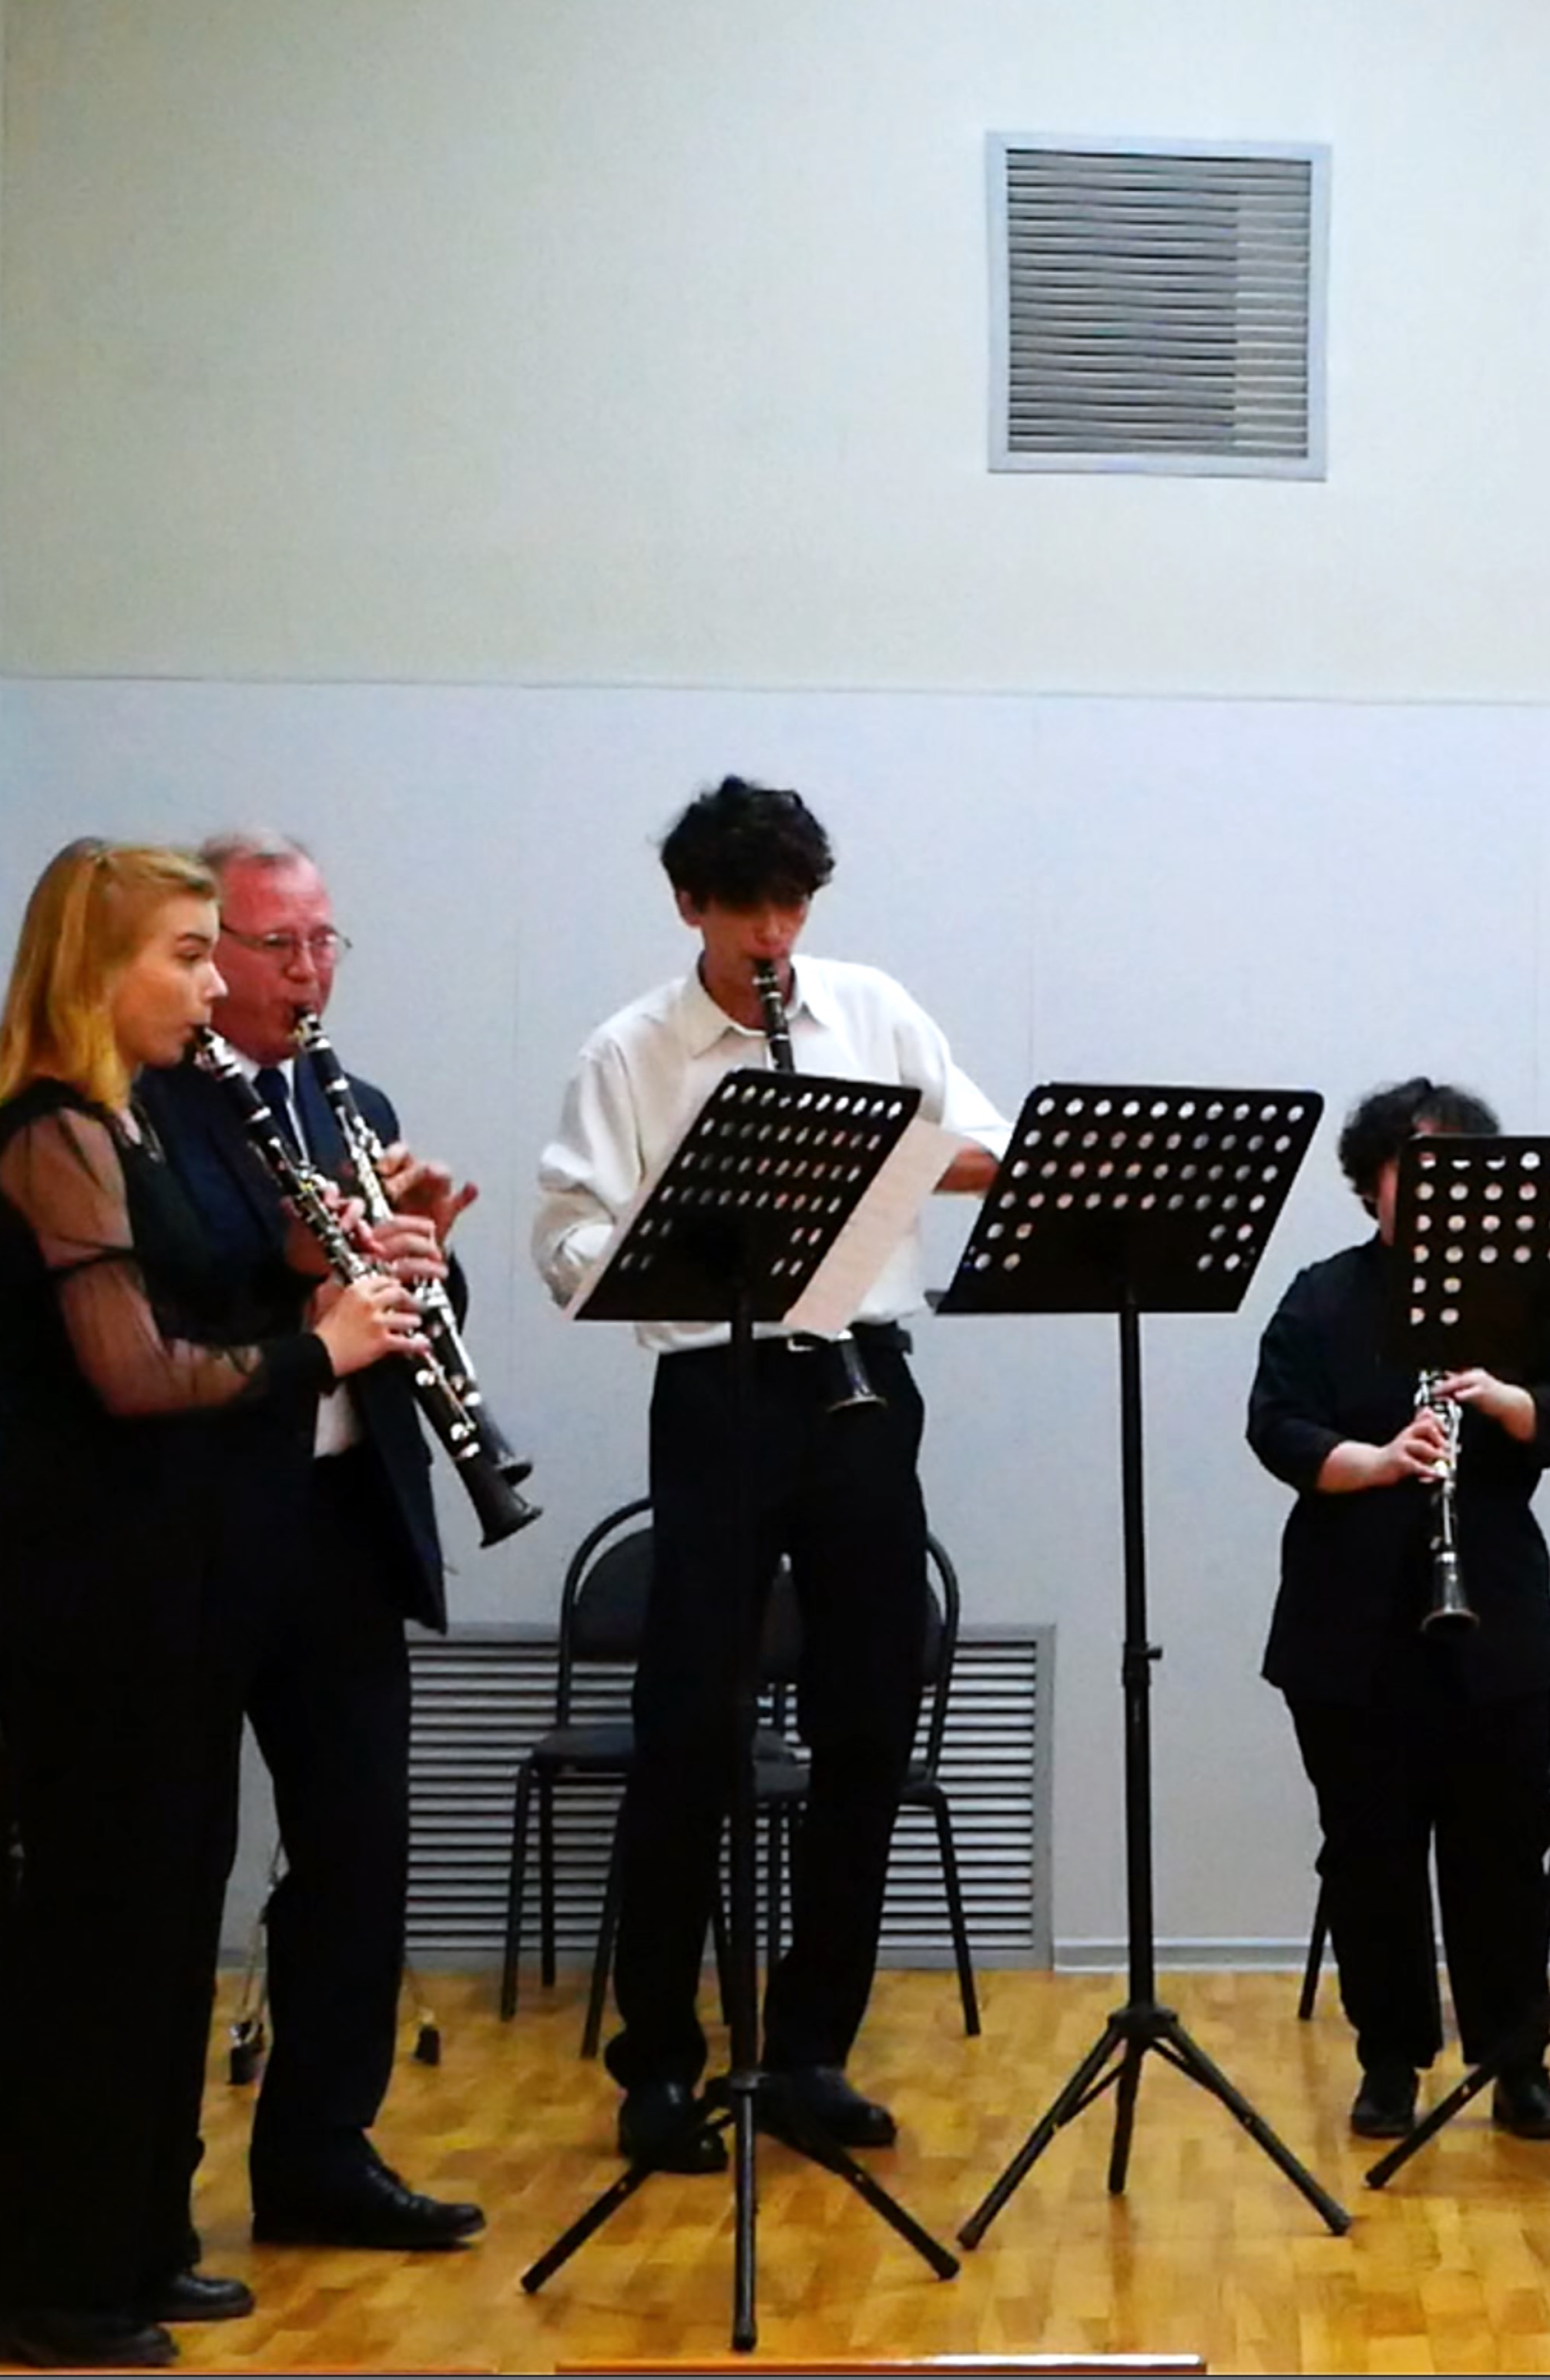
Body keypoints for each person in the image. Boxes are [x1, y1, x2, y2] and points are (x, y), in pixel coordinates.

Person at [0, 840, 419, 2368]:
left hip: (178, 1566)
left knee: (166, 1918)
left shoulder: (145, 1124)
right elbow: (134, 1372)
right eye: (186, 954)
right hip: (87, 1569)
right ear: (95, 968)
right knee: (93, 1929)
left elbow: (204, 1290)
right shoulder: (50, 1130)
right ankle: (43, 2284)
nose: (217, 984)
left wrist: (314, 1258)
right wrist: (324, 1347)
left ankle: (139, 2236)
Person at [532, 777, 1007, 2171]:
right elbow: (567, 1241)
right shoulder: (631, 1050)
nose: (774, 934)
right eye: (747, 908)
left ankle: (810, 2050)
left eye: (794, 904)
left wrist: (882, 1161)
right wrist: (691, 1226)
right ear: (691, 905)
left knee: (869, 1719)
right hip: (720, 1388)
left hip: (862, 1383)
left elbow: (982, 1149)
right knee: (689, 1726)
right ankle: (660, 2062)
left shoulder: (869, 1007)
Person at [133, 829, 487, 2251]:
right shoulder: (144, 1104)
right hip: (204, 1522)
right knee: (179, 1857)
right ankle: (143, 2186)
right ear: (208, 952)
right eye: (276, 943)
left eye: (323, 940)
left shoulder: (355, 1101)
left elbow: (396, 1315)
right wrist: (294, 1279)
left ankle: (321, 2155)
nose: (308, 969)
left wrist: (424, 1249)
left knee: (357, 1849)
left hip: (346, 1519)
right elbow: (152, 1316)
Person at [1244, 1078, 1550, 2141]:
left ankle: (1515, 2058)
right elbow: (1275, 1425)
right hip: (1348, 1618)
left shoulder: (1527, 1298)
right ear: (1374, 1183)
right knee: (1371, 1853)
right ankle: (1389, 2055)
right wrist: (1376, 1460)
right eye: (1415, 1166)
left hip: (1494, 1613)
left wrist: (1503, 1399)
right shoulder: (1322, 1297)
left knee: (1502, 1850)